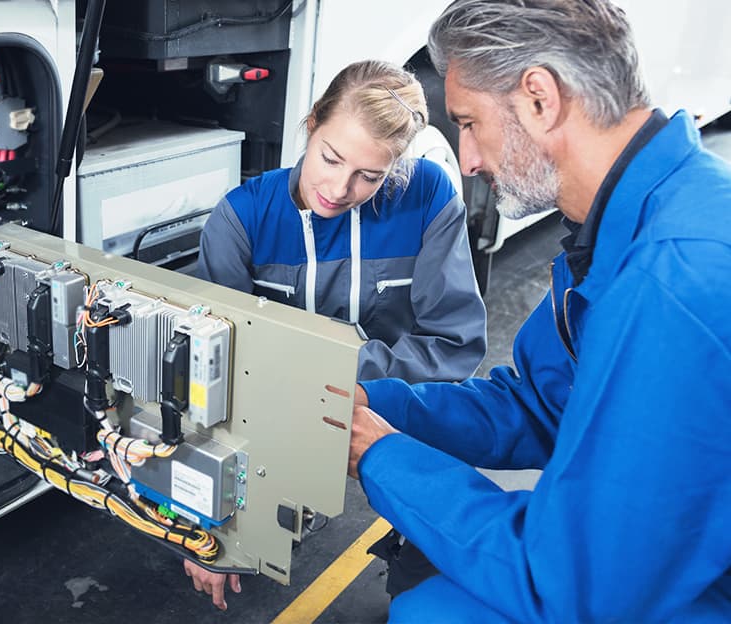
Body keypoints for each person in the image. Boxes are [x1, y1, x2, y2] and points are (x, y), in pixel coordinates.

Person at [348, 1, 731, 622]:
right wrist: (376, 407)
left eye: (468, 123)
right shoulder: (629, 224)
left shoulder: (674, 281)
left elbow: (575, 586)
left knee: (434, 616)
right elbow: (542, 405)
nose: (465, 158)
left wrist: (381, 457)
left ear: (539, 99)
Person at [192, 60, 488, 609]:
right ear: (311, 124)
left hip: (389, 407)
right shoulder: (241, 219)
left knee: (424, 593)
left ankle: (419, 559)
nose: (338, 187)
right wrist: (202, 518)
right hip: (271, 414)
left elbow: (454, 345)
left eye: (370, 176)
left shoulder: (427, 197)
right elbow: (208, 377)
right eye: (330, 157)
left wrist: (340, 384)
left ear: (395, 168)